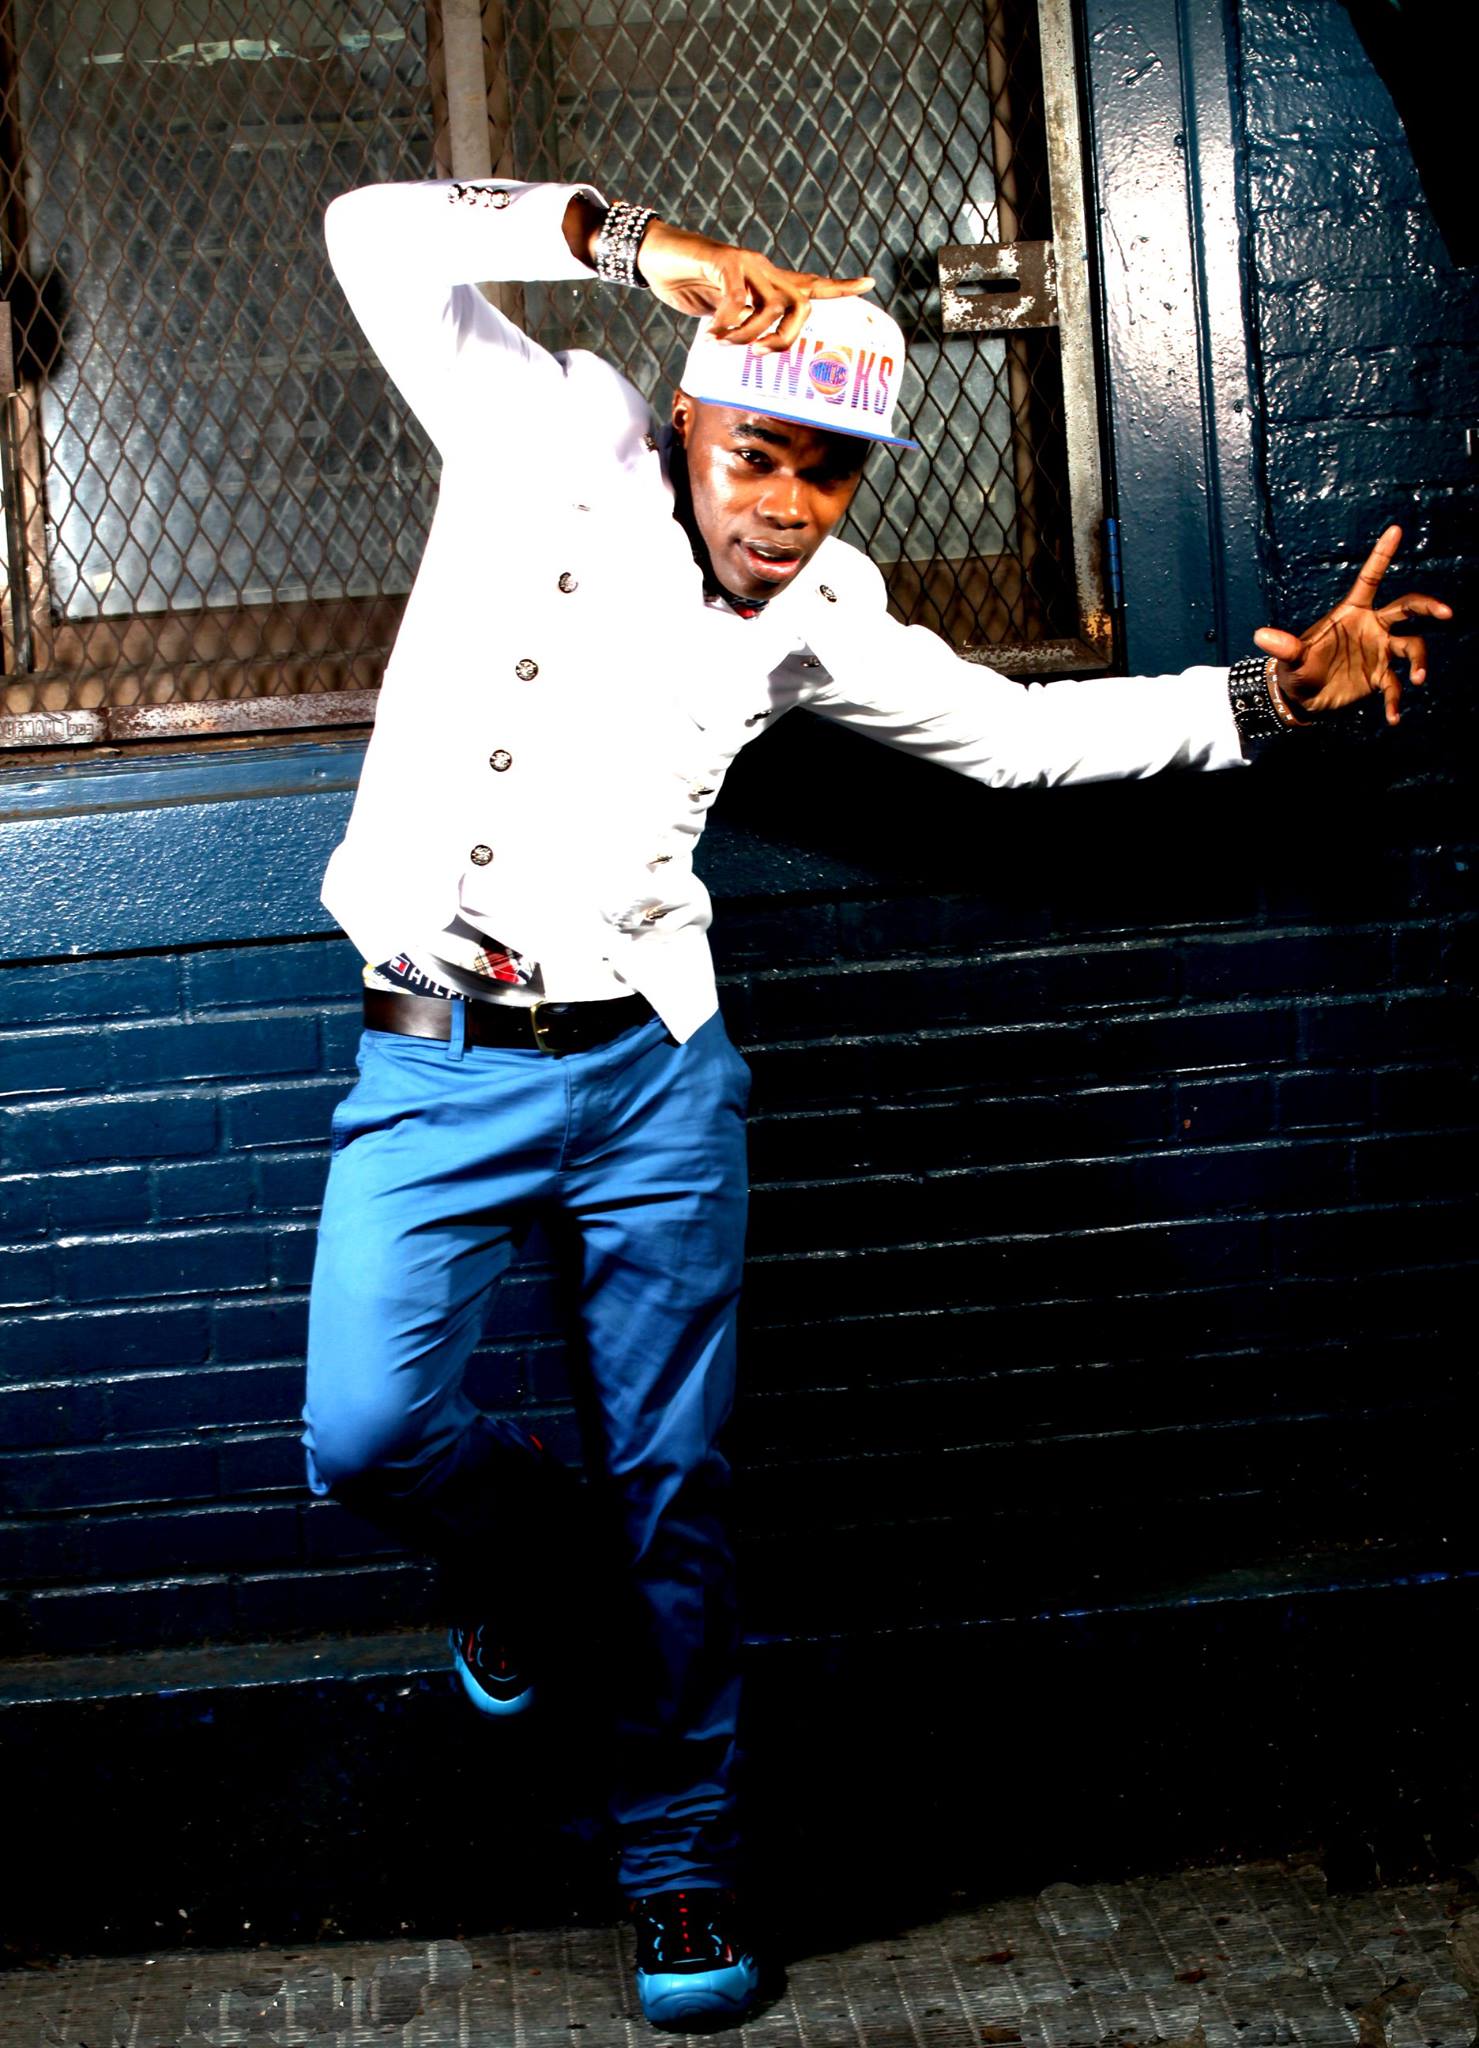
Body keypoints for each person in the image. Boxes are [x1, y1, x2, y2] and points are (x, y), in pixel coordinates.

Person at [303, 174, 1451, 2032]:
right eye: (758, 454)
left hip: (655, 1074)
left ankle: (682, 1865)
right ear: (690, 417)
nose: (786, 504)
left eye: (829, 474)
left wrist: (1268, 705)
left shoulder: (820, 609)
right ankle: (536, 1570)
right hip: (435, 1061)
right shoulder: (549, 433)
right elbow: (369, 231)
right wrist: (630, 243)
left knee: (677, 1485)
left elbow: (1017, 742)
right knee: (368, 1431)